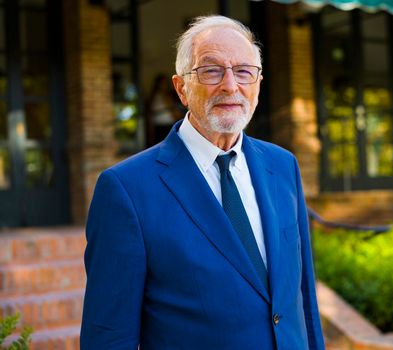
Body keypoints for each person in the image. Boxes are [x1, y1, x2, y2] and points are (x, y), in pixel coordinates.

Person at [80, 15, 325, 350]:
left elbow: (303, 300)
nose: (230, 85)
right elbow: (108, 337)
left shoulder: (283, 166)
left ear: (258, 83)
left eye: (243, 71)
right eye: (211, 70)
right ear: (182, 88)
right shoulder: (126, 190)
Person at [146, 73, 184, 146]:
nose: (165, 85)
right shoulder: (158, 95)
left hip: (165, 123)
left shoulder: (160, 95)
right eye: (163, 83)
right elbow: (172, 108)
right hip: (162, 124)